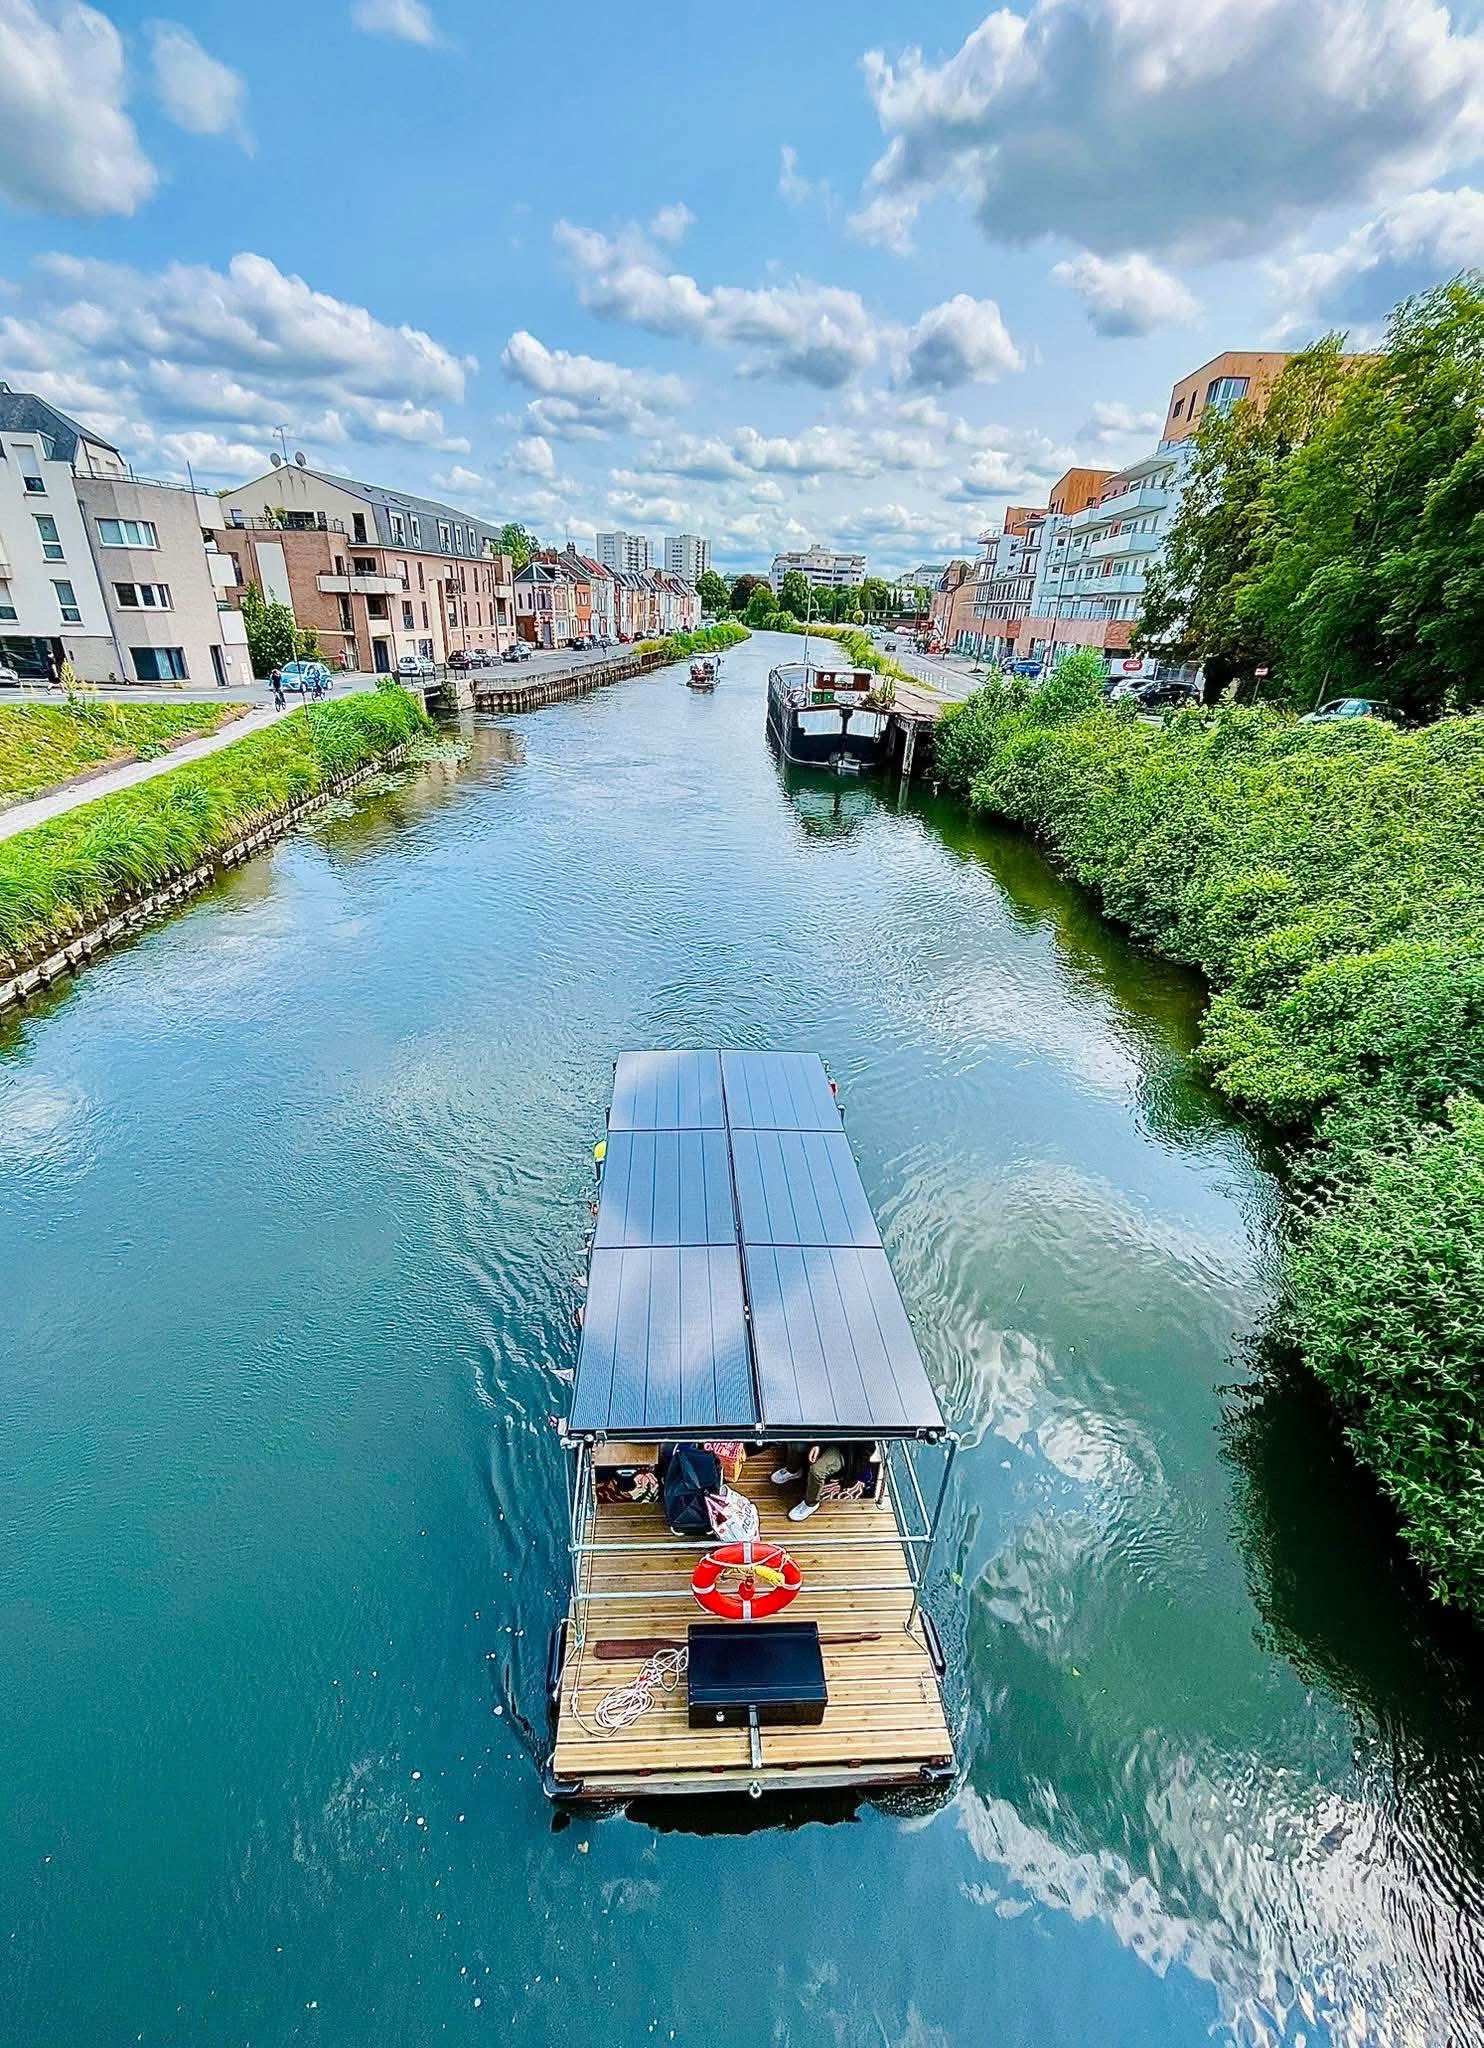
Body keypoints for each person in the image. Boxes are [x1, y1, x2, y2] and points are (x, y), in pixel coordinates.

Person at [770, 1443, 874, 1522]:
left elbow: (866, 1451)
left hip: (845, 1450)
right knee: (797, 1443)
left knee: (817, 1471)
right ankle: (793, 1469)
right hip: (823, 1436)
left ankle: (811, 1503)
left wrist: (851, 1478)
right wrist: (818, 1443)